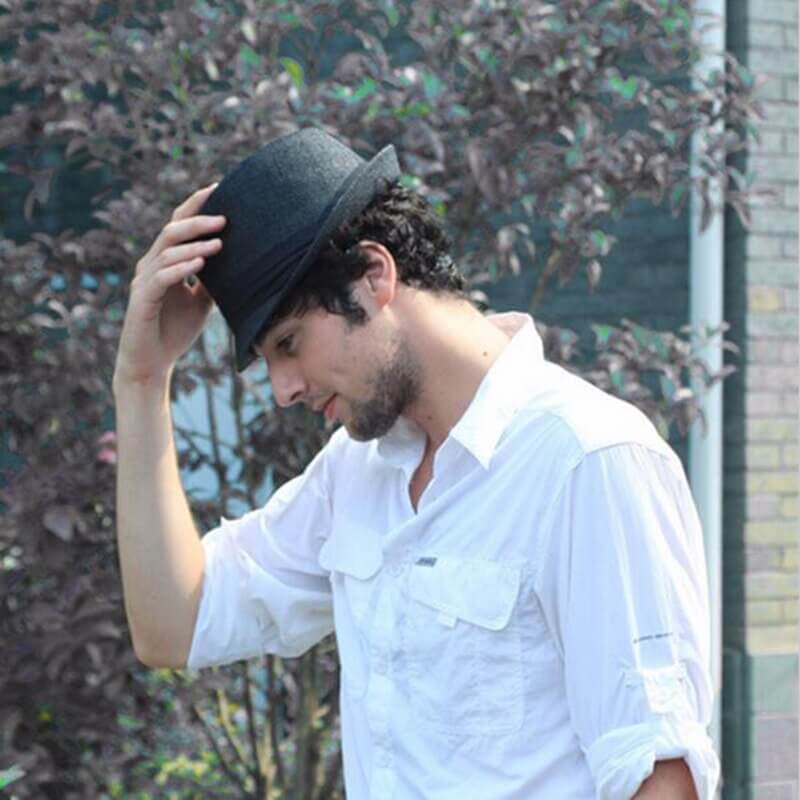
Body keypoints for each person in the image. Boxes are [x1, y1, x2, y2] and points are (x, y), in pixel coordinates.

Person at [114, 128, 720, 799]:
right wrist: (142, 381)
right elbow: (174, 624)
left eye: (288, 343)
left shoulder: (588, 459)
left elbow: (661, 775)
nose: (283, 389)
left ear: (375, 275)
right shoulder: (356, 472)